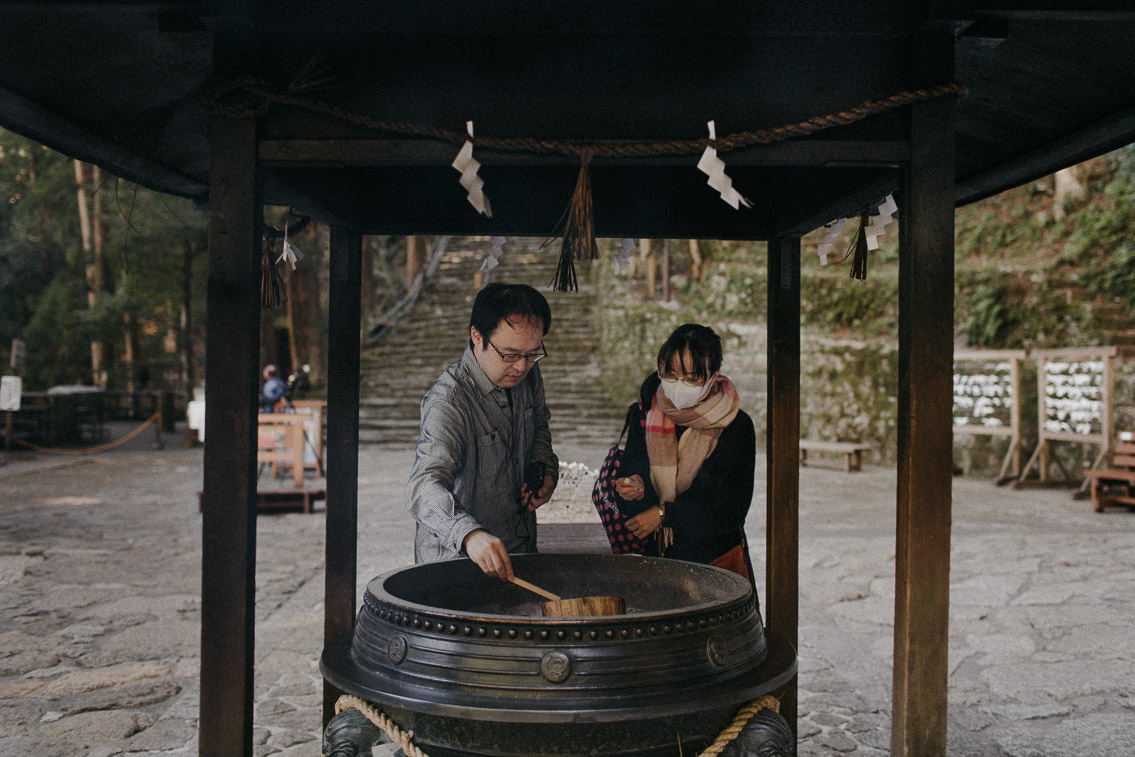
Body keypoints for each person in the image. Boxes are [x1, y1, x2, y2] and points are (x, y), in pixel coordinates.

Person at [406, 283, 558, 581]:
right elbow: (424, 486)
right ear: (478, 336)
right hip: (456, 564)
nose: (522, 366)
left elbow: (539, 425)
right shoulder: (449, 401)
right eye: (510, 354)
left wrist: (545, 471)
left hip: (519, 548)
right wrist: (469, 534)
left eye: (532, 354)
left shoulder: (528, 374)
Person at [613, 324, 756, 583]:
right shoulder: (645, 414)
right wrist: (633, 488)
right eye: (671, 375)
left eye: (692, 378)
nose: (679, 385)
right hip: (656, 561)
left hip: (715, 564)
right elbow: (629, 481)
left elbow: (730, 510)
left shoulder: (736, 426)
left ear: (714, 376)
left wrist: (664, 515)